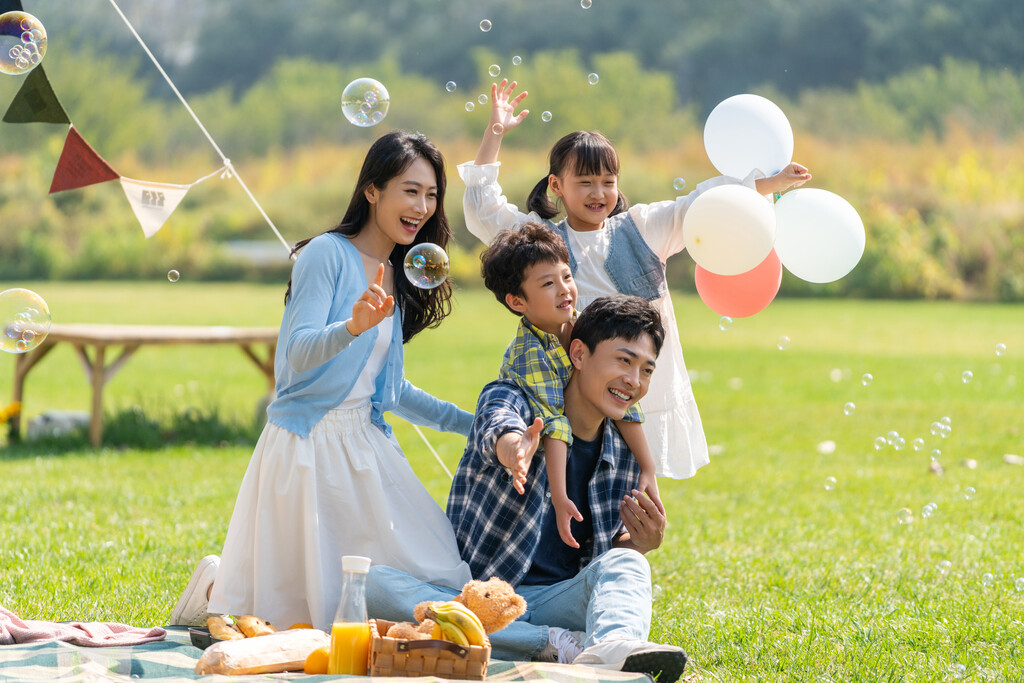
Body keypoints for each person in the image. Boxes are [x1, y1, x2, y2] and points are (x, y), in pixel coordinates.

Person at [170, 131, 473, 631]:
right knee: (320, 617)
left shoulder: (395, 270)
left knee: (435, 573)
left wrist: (479, 425)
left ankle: (220, 584)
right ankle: (219, 590)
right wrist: (351, 327)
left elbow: (393, 393)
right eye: (410, 190)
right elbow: (295, 357)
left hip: (365, 445)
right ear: (372, 191)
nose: (421, 206)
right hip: (309, 447)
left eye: (431, 194)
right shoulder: (325, 255)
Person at [459, 79, 812, 480]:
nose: (599, 193)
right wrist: (496, 131)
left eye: (608, 182)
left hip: (641, 389)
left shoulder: (643, 226)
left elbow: (702, 207)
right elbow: (483, 210)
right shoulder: (544, 240)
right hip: (574, 395)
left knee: (631, 492)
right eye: (585, 182)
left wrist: (768, 184)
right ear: (556, 186)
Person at [367, 296, 690, 683]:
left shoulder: (624, 450)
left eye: (646, 369)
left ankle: (610, 647)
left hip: (554, 598)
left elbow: (601, 565)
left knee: (630, 564)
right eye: (623, 360)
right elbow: (495, 424)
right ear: (579, 354)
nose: (634, 381)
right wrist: (513, 448)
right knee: (374, 585)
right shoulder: (514, 399)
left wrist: (639, 543)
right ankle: (557, 644)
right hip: (478, 596)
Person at [480, 222, 663, 550]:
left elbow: (626, 401)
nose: (565, 289)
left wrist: (647, 467)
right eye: (548, 283)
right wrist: (561, 497)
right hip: (546, 436)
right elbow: (554, 424)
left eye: (567, 276)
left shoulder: (582, 325)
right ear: (517, 302)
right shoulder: (531, 356)